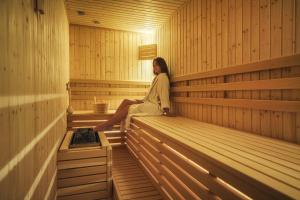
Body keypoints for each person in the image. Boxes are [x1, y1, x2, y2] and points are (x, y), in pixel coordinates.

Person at [93, 57, 174, 132]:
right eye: (153, 65)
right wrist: (141, 101)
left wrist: (166, 110)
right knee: (126, 101)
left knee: (129, 107)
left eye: (157, 65)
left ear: (162, 65)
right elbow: (151, 95)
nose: (154, 67)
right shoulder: (158, 77)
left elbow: (164, 94)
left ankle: (106, 125)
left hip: (155, 107)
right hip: (148, 102)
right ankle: (110, 124)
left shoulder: (163, 77)